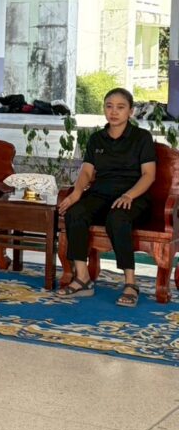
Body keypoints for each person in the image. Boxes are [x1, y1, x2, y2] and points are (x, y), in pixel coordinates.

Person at [57, 87, 155, 307]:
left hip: (134, 196)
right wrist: (76, 193)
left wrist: (129, 195)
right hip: (101, 194)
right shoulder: (97, 139)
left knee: (118, 217)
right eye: (109, 106)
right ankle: (82, 278)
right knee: (75, 212)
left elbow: (149, 175)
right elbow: (86, 171)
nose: (114, 112)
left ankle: (130, 283)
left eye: (120, 107)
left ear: (130, 111)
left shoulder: (141, 138)